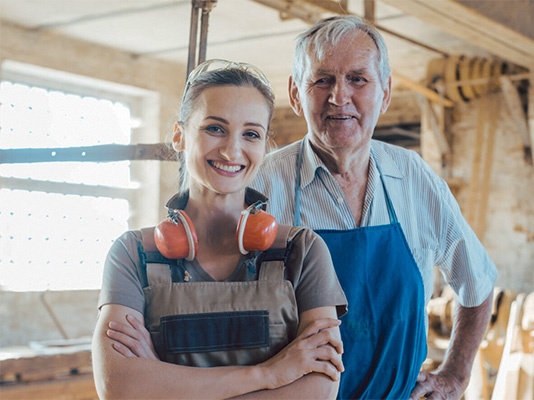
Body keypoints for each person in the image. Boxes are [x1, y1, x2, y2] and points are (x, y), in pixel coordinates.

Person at [249, 15, 498, 400]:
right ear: (296, 94)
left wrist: (455, 376)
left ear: (385, 91)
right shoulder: (259, 186)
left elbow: (477, 281)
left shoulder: (414, 177)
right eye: (322, 79)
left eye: (357, 79)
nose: (339, 96)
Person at [92, 59, 347, 399]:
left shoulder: (301, 250)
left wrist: (163, 383)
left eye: (251, 134)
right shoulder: (133, 253)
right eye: (215, 128)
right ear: (179, 136)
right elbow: (118, 386)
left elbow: (318, 390)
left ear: (263, 145)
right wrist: (269, 374)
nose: (232, 149)